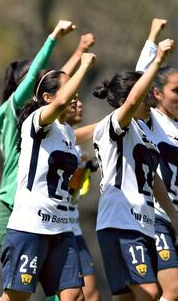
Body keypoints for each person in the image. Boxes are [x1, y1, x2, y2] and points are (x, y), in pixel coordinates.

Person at [0, 50, 96, 301]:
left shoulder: (68, 133)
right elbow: (61, 103)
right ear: (47, 97)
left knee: (75, 295)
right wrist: (83, 65)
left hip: (61, 227)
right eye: (67, 90)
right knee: (16, 297)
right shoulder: (37, 122)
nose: (74, 97)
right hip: (31, 226)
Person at [93, 38, 178, 300]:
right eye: (144, 96)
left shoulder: (145, 136)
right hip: (121, 221)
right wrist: (158, 61)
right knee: (152, 292)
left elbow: (154, 181)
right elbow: (130, 104)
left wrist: (175, 220)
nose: (150, 101)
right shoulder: (115, 124)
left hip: (138, 222)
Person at [135, 18, 178, 301]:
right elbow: (138, 80)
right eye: (176, 91)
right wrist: (153, 39)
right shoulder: (152, 122)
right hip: (159, 217)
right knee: (171, 290)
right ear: (157, 93)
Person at [66, 99, 100, 301]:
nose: (79, 104)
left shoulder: (76, 147)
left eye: (80, 99)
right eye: (73, 99)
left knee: (91, 294)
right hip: (51, 228)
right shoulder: (52, 136)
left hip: (73, 226)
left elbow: (73, 193)